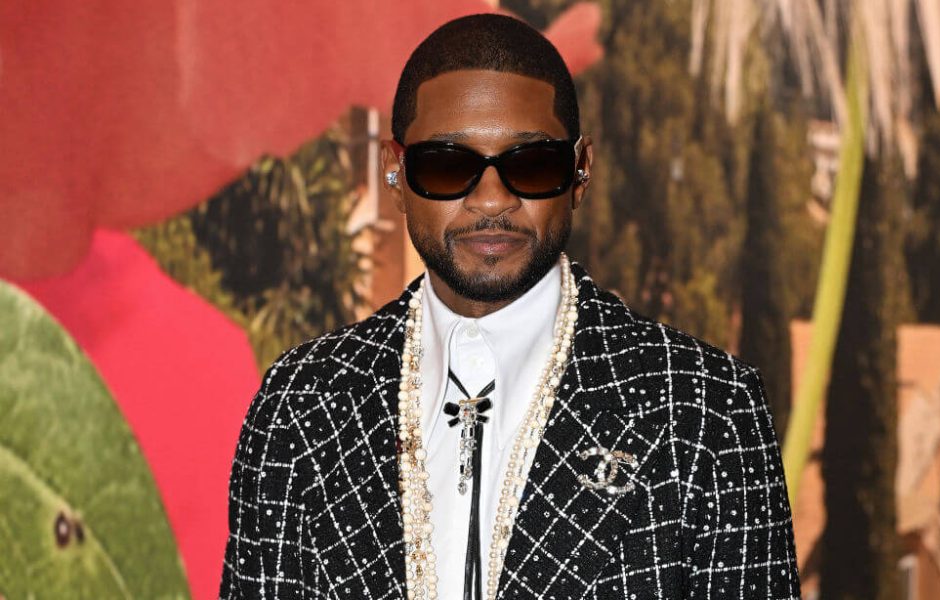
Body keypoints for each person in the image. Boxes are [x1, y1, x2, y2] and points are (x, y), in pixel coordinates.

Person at [220, 13, 800, 600]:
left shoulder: (706, 411)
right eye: (449, 164)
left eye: (530, 165)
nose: (492, 198)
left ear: (580, 171)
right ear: (394, 171)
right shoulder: (301, 407)